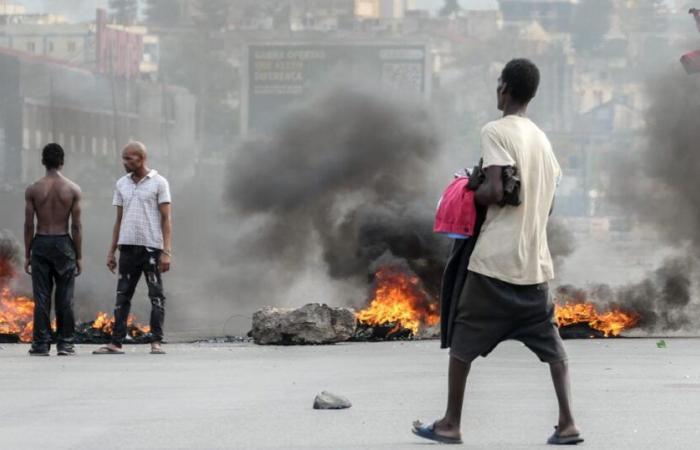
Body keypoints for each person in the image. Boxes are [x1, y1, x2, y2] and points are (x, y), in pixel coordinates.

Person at [412, 59, 583, 445]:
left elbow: (494, 191)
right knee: (552, 347)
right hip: (535, 267)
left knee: (462, 341)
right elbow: (548, 203)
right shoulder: (542, 140)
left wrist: (468, 188)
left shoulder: (495, 131)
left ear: (504, 88)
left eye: (498, 85)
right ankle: (568, 422)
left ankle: (451, 423)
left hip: (493, 264)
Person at [93, 142, 172, 355]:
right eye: (123, 158)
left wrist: (166, 252)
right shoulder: (121, 184)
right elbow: (118, 220)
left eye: (129, 158)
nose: (124, 162)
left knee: (156, 295)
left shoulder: (159, 182)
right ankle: (116, 342)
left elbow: (166, 219)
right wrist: (111, 251)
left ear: (141, 158)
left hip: (151, 248)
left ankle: (156, 341)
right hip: (127, 248)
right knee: (122, 296)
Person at [24, 143, 82, 356]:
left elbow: (29, 224)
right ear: (62, 161)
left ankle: (40, 344)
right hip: (63, 244)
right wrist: (79, 256)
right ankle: (65, 344)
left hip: (41, 242)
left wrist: (27, 253)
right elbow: (76, 226)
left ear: (43, 161)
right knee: (65, 296)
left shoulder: (33, 189)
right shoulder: (73, 189)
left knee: (41, 296)